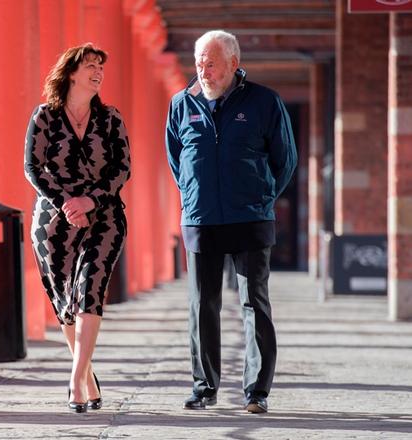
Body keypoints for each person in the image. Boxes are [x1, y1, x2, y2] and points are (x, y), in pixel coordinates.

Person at [165, 30, 297, 414]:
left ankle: (257, 392)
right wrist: (194, 195)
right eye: (199, 63)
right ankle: (204, 388)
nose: (203, 71)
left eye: (211, 63)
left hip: (250, 218)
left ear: (233, 64)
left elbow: (284, 160)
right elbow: (177, 161)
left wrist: (260, 196)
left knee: (253, 302)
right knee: (201, 304)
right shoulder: (180, 105)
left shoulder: (264, 102)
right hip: (202, 219)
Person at [24, 43, 130, 413]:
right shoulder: (45, 117)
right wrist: (67, 203)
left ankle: (75, 380)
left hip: (104, 215)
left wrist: (91, 201)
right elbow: (33, 168)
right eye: (90, 65)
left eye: (101, 66)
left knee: (90, 289)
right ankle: (86, 374)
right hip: (53, 221)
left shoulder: (111, 118)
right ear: (71, 72)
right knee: (63, 298)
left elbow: (122, 169)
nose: (98, 71)